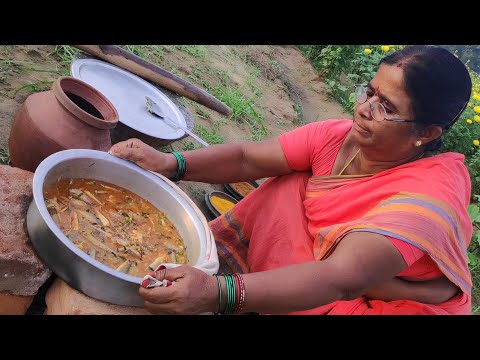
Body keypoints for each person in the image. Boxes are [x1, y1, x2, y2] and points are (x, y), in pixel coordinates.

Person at [109, 45, 473, 315]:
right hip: (347, 271)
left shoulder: (426, 200)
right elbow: (246, 158)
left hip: (375, 301)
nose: (364, 108)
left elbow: (341, 280)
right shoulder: (339, 137)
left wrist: (217, 293)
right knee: (292, 181)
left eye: (387, 107)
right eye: (370, 92)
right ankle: (238, 277)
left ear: (426, 133)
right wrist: (168, 162)